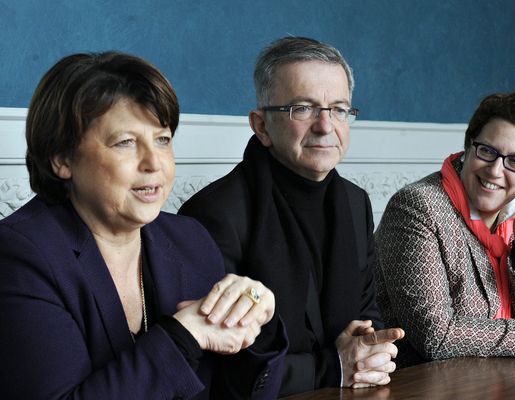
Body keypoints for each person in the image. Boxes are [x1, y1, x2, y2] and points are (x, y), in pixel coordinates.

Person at [0, 51, 287, 399]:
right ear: (61, 158)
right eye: (126, 142)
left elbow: (231, 392)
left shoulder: (189, 239)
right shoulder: (20, 254)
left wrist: (260, 324)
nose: (154, 162)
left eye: (163, 139)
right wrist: (183, 336)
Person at [178, 36, 403, 396]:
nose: (326, 126)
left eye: (340, 109)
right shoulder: (212, 214)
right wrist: (335, 367)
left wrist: (370, 349)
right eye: (303, 108)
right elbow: (221, 362)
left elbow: (366, 312)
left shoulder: (355, 201)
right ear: (261, 126)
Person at [374, 92, 515, 367]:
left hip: (505, 381)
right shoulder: (417, 208)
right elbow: (436, 337)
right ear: (469, 147)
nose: (495, 171)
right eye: (487, 151)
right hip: (422, 386)